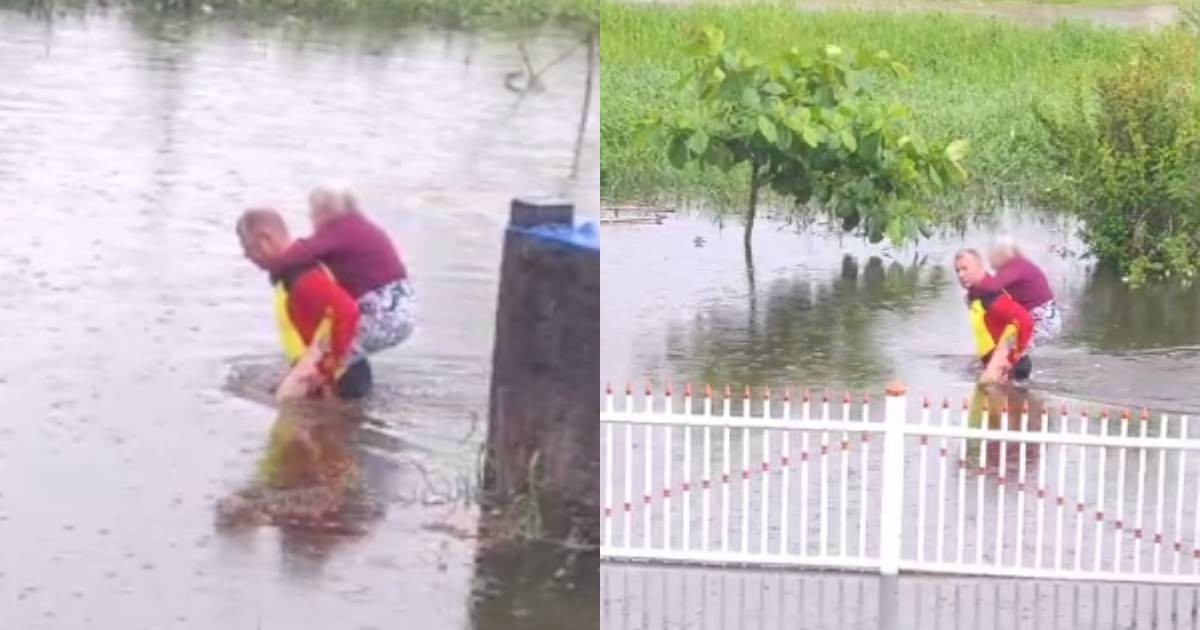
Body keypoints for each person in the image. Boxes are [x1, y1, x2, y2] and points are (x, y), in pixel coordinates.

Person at [261, 183, 415, 357]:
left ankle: (315, 381)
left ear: (325, 210)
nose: (312, 221)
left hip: (384, 313)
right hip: (402, 311)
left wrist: (276, 273)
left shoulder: (341, 227)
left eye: (312, 213)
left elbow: (304, 251)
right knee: (344, 353)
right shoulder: (362, 227)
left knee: (324, 354)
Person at [237, 208, 372, 400]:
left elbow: (348, 312)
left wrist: (325, 372)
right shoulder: (288, 274)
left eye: (249, 248)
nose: (247, 256)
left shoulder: (301, 276)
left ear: (264, 239)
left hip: (342, 378)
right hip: (330, 372)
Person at [955, 249, 1035, 384]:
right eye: (957, 270)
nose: (961, 275)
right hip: (994, 364)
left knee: (983, 394)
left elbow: (1025, 321)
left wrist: (1010, 359)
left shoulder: (990, 295)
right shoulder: (973, 295)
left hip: (1007, 368)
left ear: (980, 267)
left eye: (965, 269)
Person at [970, 235, 1061, 347]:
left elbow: (991, 287)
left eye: (991, 255)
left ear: (1001, 253)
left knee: (1005, 352)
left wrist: (974, 277)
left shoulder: (1016, 266)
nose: (989, 259)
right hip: (1043, 319)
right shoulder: (1019, 265)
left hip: (1042, 323)